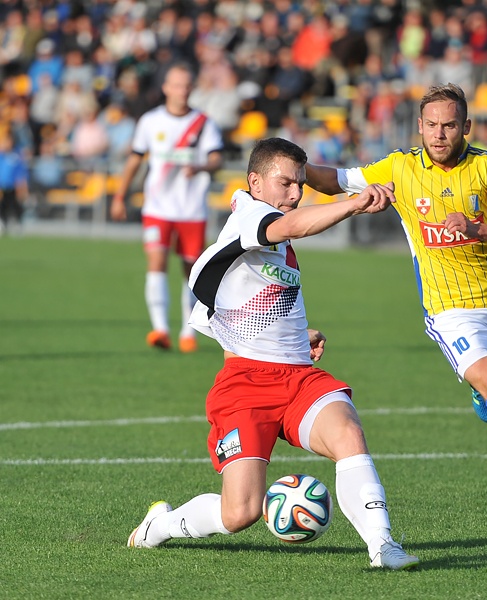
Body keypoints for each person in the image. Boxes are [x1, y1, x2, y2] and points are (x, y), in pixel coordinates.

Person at [127, 137, 419, 571]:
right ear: (255, 182)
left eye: (300, 184)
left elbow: (250, 299)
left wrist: (303, 332)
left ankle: (383, 546)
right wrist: (352, 203)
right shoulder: (252, 214)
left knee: (348, 435)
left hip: (298, 377)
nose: (295, 193)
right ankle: (161, 525)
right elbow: (293, 225)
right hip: (245, 385)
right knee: (239, 513)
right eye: (285, 183)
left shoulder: (273, 232)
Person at [304, 83, 487, 523]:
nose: (439, 134)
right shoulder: (399, 167)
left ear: (466, 127)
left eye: (449, 125)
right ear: (419, 126)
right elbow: (335, 181)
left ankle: (486, 400)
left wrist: (476, 229)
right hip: (450, 308)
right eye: (431, 125)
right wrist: (293, 166)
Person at [110, 62, 224, 353]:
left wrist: (199, 166)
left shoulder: (203, 122)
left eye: (187, 85)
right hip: (157, 208)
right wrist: (119, 195)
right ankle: (160, 329)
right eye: (177, 85)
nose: (182, 91)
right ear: (166, 88)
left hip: (191, 210)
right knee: (156, 263)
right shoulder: (150, 121)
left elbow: (216, 159)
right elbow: (135, 158)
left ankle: (189, 332)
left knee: (191, 271)